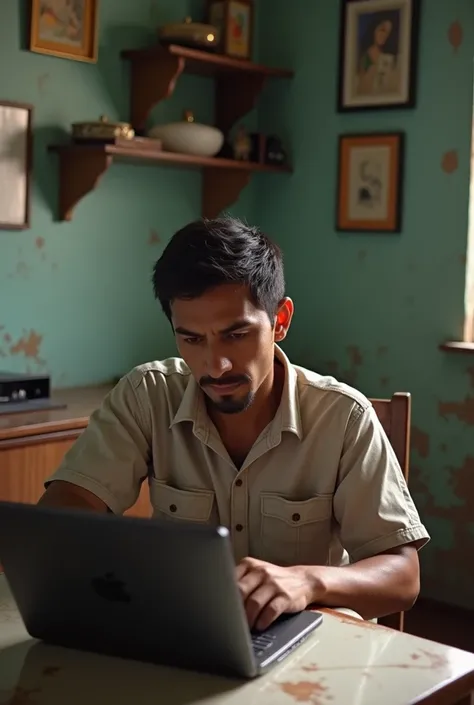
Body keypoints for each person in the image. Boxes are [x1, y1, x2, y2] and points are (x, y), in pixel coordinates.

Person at [39, 216, 430, 632]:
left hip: (308, 643)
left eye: (236, 334)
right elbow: (60, 519)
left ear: (280, 321)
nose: (216, 365)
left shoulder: (344, 418)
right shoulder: (146, 396)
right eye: (191, 339)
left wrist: (306, 580)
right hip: (182, 631)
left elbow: (403, 577)